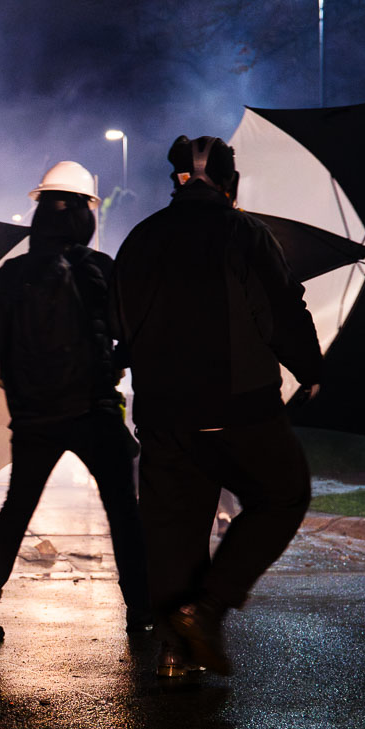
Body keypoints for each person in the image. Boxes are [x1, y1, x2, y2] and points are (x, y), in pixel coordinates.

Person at [112, 135, 322, 677]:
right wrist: (310, 368)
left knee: (174, 529)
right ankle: (205, 611)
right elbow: (281, 307)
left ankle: (175, 652)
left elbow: (119, 321)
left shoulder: (140, 238)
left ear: (176, 181)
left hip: (162, 412)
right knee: (283, 492)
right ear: (230, 184)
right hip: (240, 409)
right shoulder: (246, 233)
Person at [0, 161, 148, 642]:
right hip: (95, 413)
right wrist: (112, 359)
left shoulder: (11, 275)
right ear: (87, 213)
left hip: (35, 420)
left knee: (16, 509)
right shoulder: (102, 271)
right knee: (124, 512)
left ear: (39, 213)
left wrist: (23, 377)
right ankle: (142, 612)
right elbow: (130, 336)